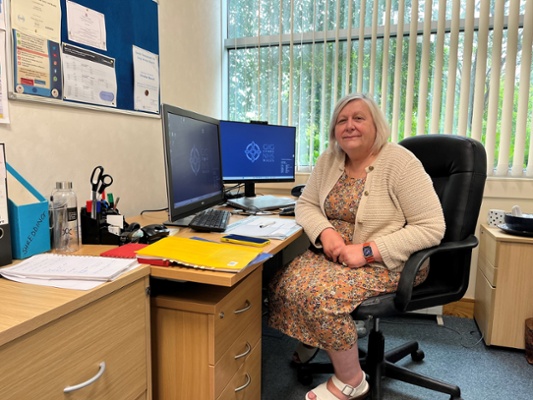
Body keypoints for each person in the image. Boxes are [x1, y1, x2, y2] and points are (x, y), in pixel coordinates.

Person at [268, 93, 446, 400]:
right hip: (335, 255)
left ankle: (352, 380)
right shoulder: (329, 160)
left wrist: (366, 251)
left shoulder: (400, 162)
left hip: (390, 262)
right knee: (282, 283)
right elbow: (306, 205)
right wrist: (326, 233)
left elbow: (432, 227)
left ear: (376, 125)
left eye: (359, 118)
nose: (349, 126)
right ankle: (318, 335)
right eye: (342, 120)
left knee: (321, 298)